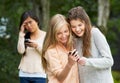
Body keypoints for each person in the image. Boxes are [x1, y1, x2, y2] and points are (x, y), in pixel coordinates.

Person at [67, 6, 114, 83]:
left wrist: (87, 62)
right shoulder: (74, 40)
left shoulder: (95, 33)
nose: (77, 29)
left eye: (80, 25)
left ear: (85, 22)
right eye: (73, 27)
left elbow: (109, 61)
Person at [42, 14, 79, 83]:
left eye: (65, 31)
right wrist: (69, 64)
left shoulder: (71, 45)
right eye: (59, 33)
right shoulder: (51, 51)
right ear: (53, 33)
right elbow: (60, 78)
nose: (64, 36)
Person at [17, 10, 46, 83]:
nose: (29, 26)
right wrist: (21, 34)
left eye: (30, 22)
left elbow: (47, 54)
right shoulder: (24, 36)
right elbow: (20, 51)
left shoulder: (46, 36)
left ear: (36, 21)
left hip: (40, 74)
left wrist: (37, 46)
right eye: (25, 24)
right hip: (24, 74)